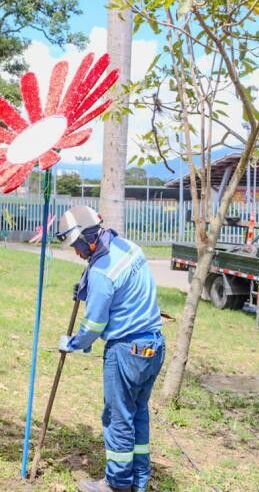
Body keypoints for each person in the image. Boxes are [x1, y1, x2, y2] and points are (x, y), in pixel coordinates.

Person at [55, 206, 164, 492]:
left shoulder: (102, 272)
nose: (77, 253)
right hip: (153, 344)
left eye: (77, 246)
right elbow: (123, 290)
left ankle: (116, 484)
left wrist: (73, 343)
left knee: (117, 417)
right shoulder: (128, 247)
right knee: (136, 412)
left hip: (127, 350)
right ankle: (139, 480)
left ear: (90, 238)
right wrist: (87, 286)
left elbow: (94, 325)